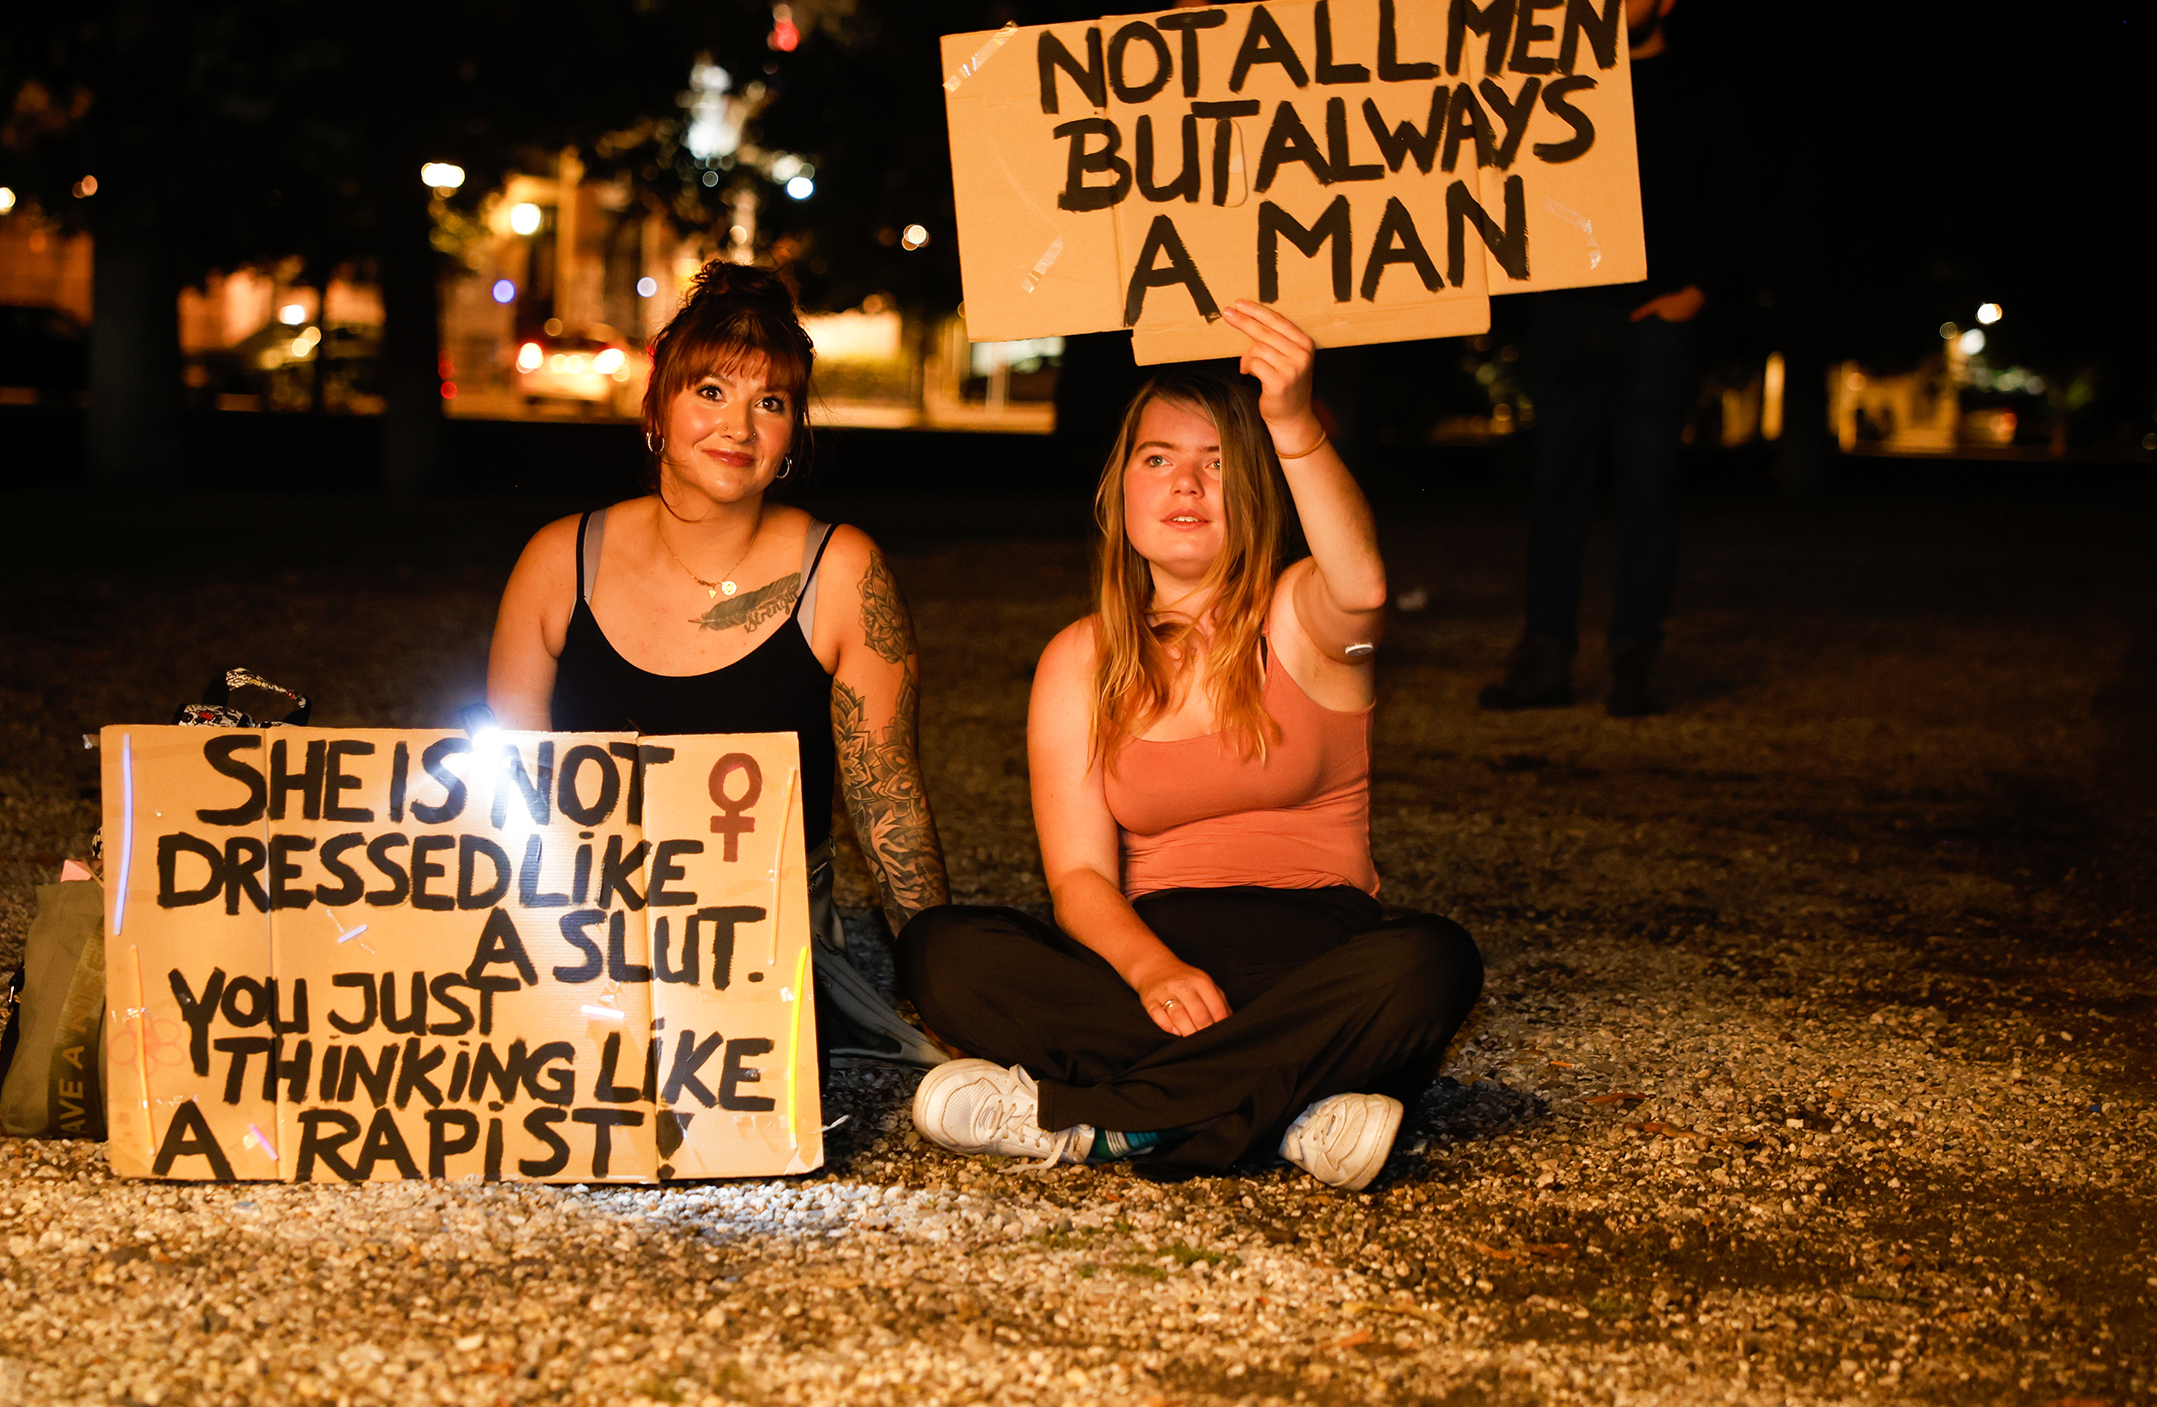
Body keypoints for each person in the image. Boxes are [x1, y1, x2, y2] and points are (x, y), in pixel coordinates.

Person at [895, 307, 1482, 1185]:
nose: (1187, 484)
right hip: (1152, 968)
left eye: (1217, 463)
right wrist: (1154, 970)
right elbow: (1080, 879)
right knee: (940, 949)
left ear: (1256, 490)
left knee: (1433, 960)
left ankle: (1097, 1119)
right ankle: (1291, 1110)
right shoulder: (1079, 658)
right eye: (1158, 458)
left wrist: (1293, 423)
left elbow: (1363, 586)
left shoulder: (1304, 619)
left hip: (1312, 962)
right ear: (1120, 490)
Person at [486, 261, 948, 1069]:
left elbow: (890, 808)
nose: (739, 426)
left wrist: (942, 983)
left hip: (762, 934)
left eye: (770, 402)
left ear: (791, 435)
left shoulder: (843, 572)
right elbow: (510, 790)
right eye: (710, 391)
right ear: (657, 410)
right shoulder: (559, 561)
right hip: (585, 923)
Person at [1480, 0, 1751, 717]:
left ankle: (1634, 660)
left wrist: (1694, 292)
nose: (1616, 4)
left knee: (1649, 490)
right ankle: (1545, 659)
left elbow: (1734, 197)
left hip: (1653, 319)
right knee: (1553, 489)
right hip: (1566, 316)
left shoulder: (1699, 90)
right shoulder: (1557, 88)